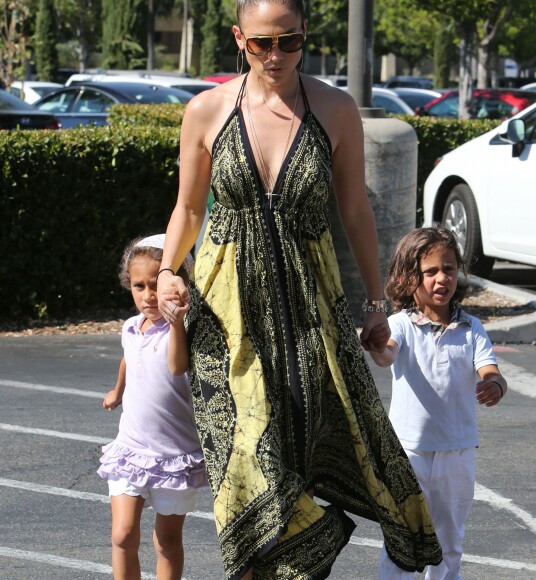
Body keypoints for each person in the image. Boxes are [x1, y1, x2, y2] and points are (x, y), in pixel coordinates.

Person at [158, 0, 442, 578]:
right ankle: (299, 548)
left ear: (305, 35)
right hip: (225, 314)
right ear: (240, 39)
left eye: (289, 42)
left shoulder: (334, 109)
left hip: (311, 312)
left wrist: (375, 302)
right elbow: (188, 208)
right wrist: (167, 271)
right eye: (263, 42)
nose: (276, 55)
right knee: (244, 464)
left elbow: (356, 210)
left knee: (308, 450)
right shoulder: (207, 111)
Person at [370, 227, 508, 580]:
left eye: (448, 268)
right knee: (401, 539)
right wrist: (375, 344)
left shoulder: (471, 327)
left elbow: (491, 371)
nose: (441, 278)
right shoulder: (400, 324)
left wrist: (494, 385)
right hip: (407, 452)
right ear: (408, 278)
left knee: (449, 542)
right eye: (429, 271)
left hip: (457, 453)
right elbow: (387, 355)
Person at [98, 234, 207, 580]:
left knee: (167, 543)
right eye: (138, 286)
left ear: (176, 285)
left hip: (173, 456)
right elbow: (130, 358)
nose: (148, 296)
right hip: (130, 449)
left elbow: (176, 366)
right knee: (123, 534)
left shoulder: (185, 330)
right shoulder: (131, 327)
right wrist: (118, 390)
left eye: (155, 285)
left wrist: (176, 324)